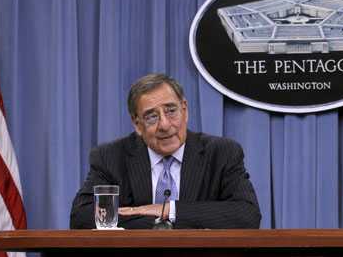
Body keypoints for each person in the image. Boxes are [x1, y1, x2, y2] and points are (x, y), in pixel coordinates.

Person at [70, 74, 261, 229]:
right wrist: (166, 225)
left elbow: (247, 215)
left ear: (185, 110)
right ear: (137, 124)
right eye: (152, 117)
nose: (164, 125)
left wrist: (168, 210)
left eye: (171, 111)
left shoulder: (222, 153)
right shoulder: (110, 156)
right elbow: (82, 216)